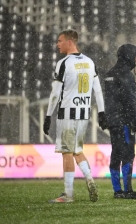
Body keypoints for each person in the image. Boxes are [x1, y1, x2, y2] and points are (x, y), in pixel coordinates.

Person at [43, 29, 108, 203]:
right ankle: (90, 179)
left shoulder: (64, 63)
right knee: (78, 151)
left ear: (70, 42)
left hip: (67, 114)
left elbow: (55, 94)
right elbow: (98, 91)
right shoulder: (89, 62)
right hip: (84, 114)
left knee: (67, 152)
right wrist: (101, 113)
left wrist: (48, 115)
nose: (57, 44)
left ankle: (68, 194)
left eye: (59, 40)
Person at [104, 44, 136, 199]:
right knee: (128, 154)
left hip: (113, 122)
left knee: (115, 154)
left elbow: (106, 101)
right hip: (125, 122)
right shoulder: (126, 75)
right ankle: (128, 190)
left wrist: (106, 118)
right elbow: (129, 101)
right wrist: (135, 121)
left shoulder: (109, 74)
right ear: (129, 56)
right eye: (135, 55)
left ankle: (117, 191)